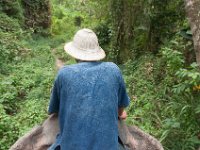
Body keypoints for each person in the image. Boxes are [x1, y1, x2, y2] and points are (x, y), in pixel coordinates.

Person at [48, 28, 130, 150]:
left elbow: (53, 112)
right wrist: (121, 113)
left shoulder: (63, 74)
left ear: (74, 53)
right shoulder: (114, 70)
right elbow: (121, 112)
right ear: (97, 52)